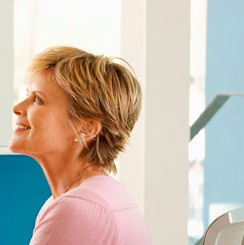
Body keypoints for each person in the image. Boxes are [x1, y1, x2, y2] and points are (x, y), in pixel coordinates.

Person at [10, 46, 151, 244]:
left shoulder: (75, 208)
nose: (17, 108)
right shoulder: (109, 195)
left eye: (38, 100)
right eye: (27, 95)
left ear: (86, 129)